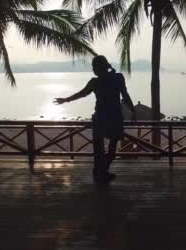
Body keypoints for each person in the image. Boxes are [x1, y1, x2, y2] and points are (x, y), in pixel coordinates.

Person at [54, 55, 135, 184]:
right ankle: (102, 172)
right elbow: (125, 95)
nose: (93, 70)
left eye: (94, 67)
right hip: (113, 117)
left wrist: (66, 100)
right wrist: (132, 110)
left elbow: (81, 94)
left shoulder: (96, 82)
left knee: (101, 150)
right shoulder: (117, 78)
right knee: (109, 150)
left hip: (102, 118)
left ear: (100, 67)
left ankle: (100, 171)